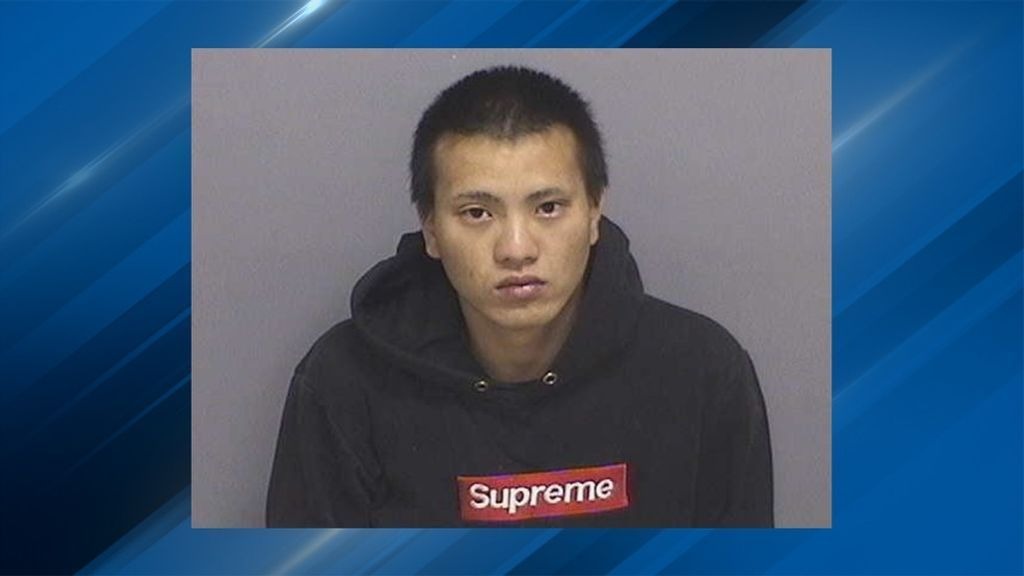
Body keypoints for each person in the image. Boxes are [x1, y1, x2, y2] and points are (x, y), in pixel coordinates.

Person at [266, 65, 773, 527]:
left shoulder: (704, 372)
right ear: (432, 230)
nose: (516, 249)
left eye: (548, 208)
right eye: (477, 213)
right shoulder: (344, 383)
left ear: (594, 212)